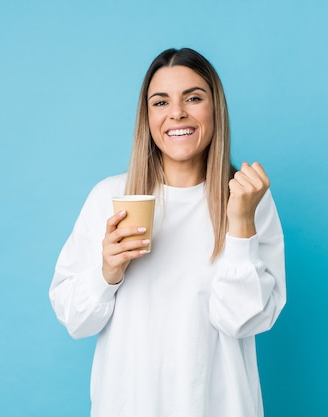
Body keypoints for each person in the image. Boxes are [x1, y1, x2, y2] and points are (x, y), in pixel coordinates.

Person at [49, 47, 286, 417]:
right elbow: (76, 321)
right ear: (147, 117)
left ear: (215, 109)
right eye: (161, 102)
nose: (177, 112)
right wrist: (106, 273)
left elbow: (243, 320)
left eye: (193, 97)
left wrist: (240, 225)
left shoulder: (248, 198)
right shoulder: (110, 198)